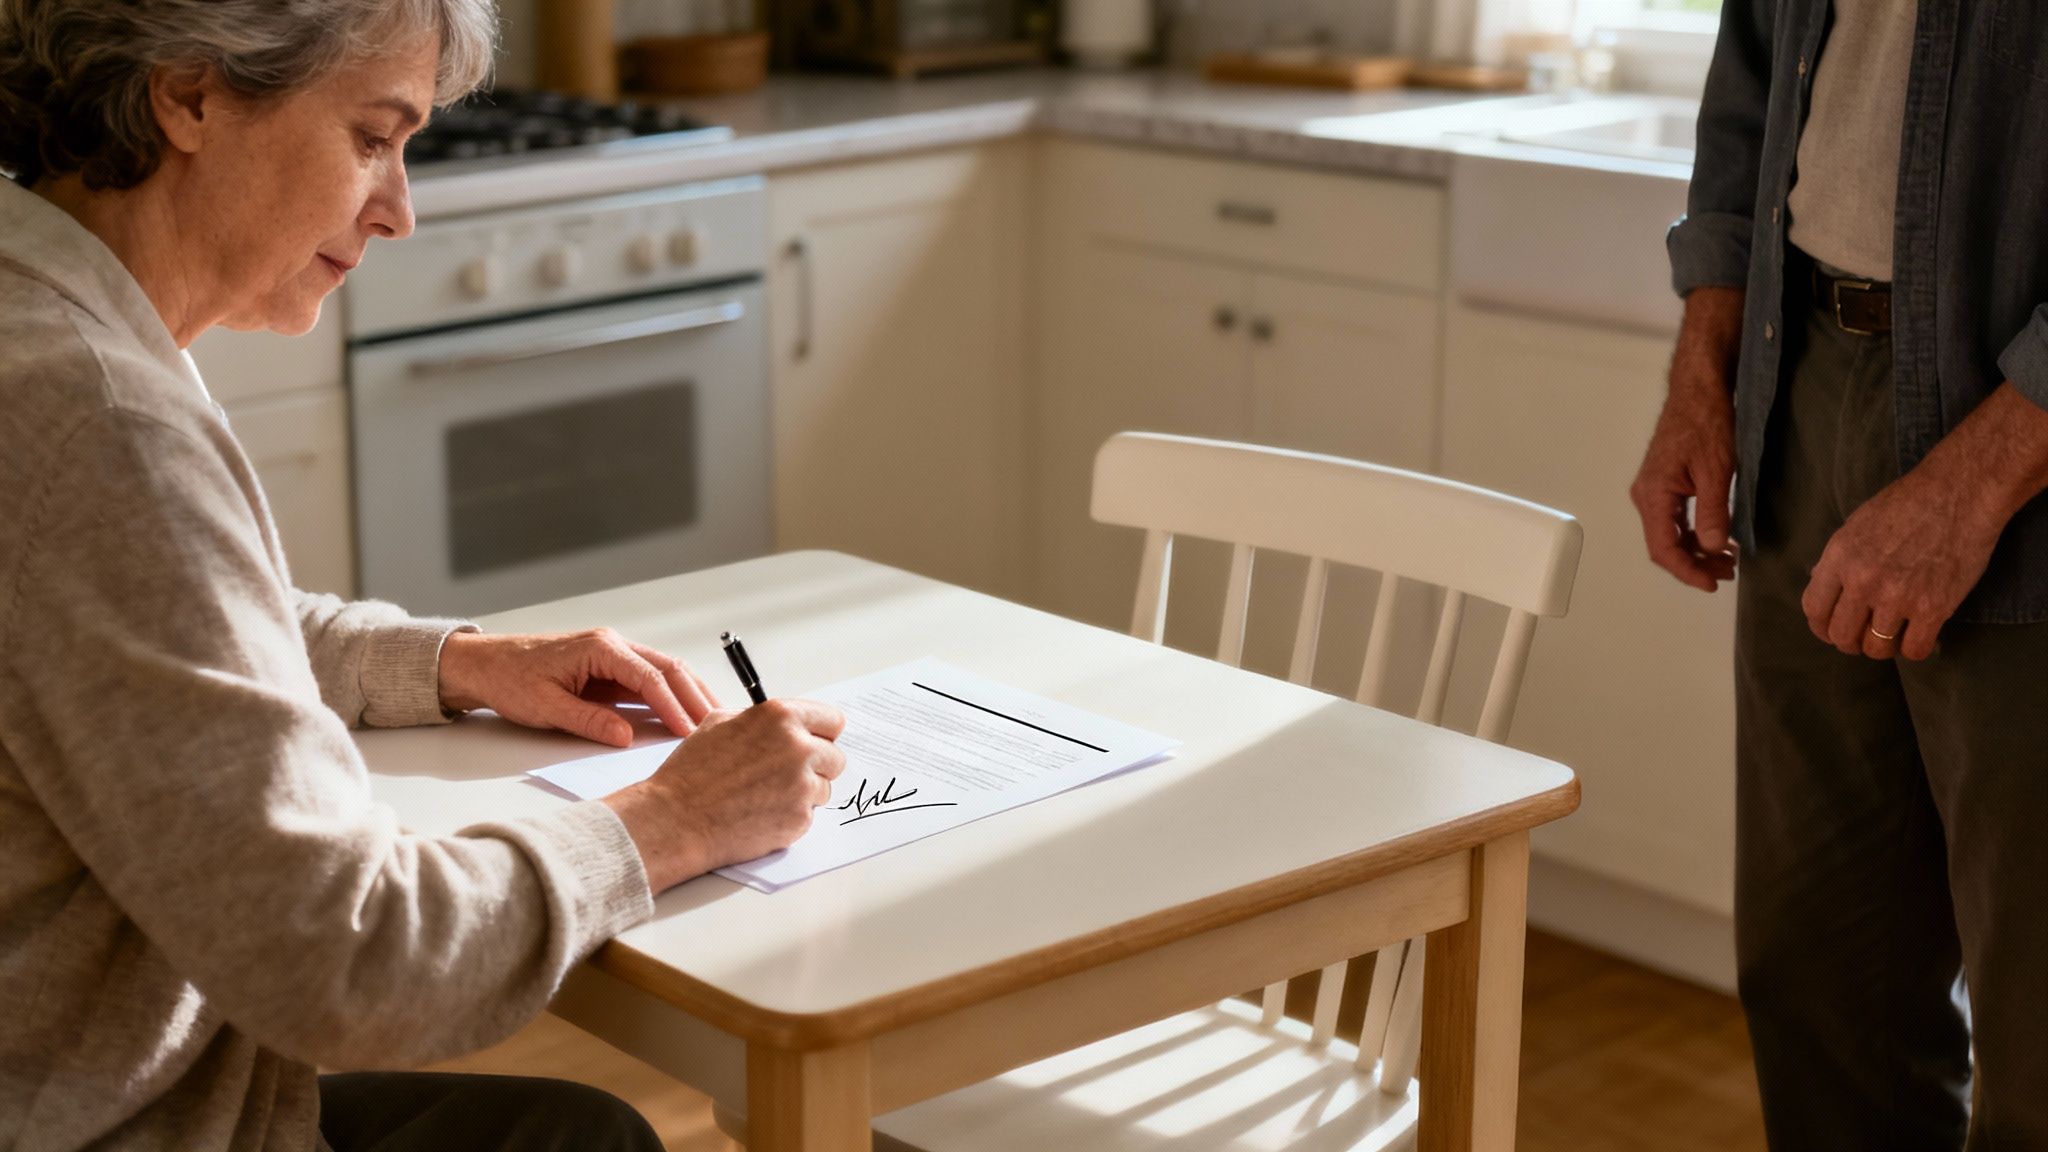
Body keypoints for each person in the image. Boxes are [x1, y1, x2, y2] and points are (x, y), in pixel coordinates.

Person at [0, 2, 848, 1149]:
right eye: (371, 137)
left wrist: (453, 662)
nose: (398, 211)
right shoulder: (101, 419)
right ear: (190, 96)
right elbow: (348, 960)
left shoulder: (39, 315)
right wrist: (676, 820)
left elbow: (148, 629)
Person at [1633, 0, 2048, 1147]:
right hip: (1802, 376)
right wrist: (1701, 369)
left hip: (2023, 426)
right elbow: (1747, 88)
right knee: (1823, 987)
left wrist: (1975, 481)